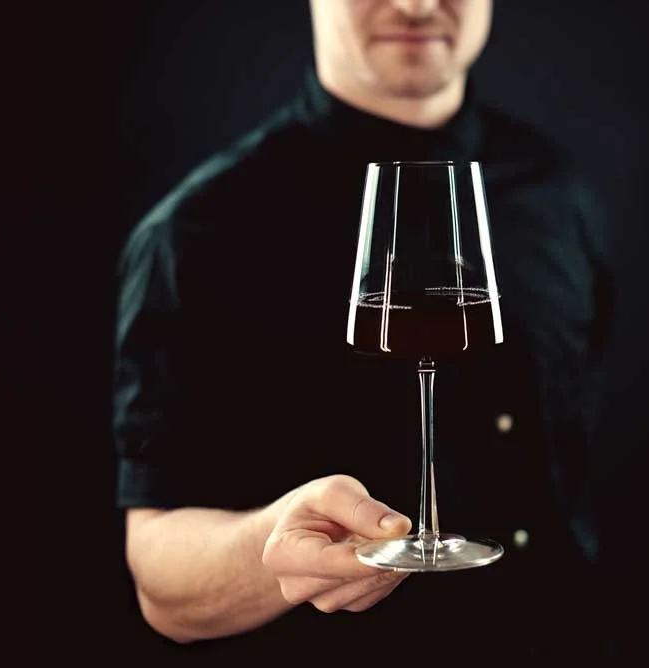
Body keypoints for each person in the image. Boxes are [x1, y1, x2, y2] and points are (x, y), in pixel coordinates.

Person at [112, 0, 614, 663]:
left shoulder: (557, 189)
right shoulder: (195, 233)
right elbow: (160, 580)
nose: (415, 4)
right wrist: (273, 550)